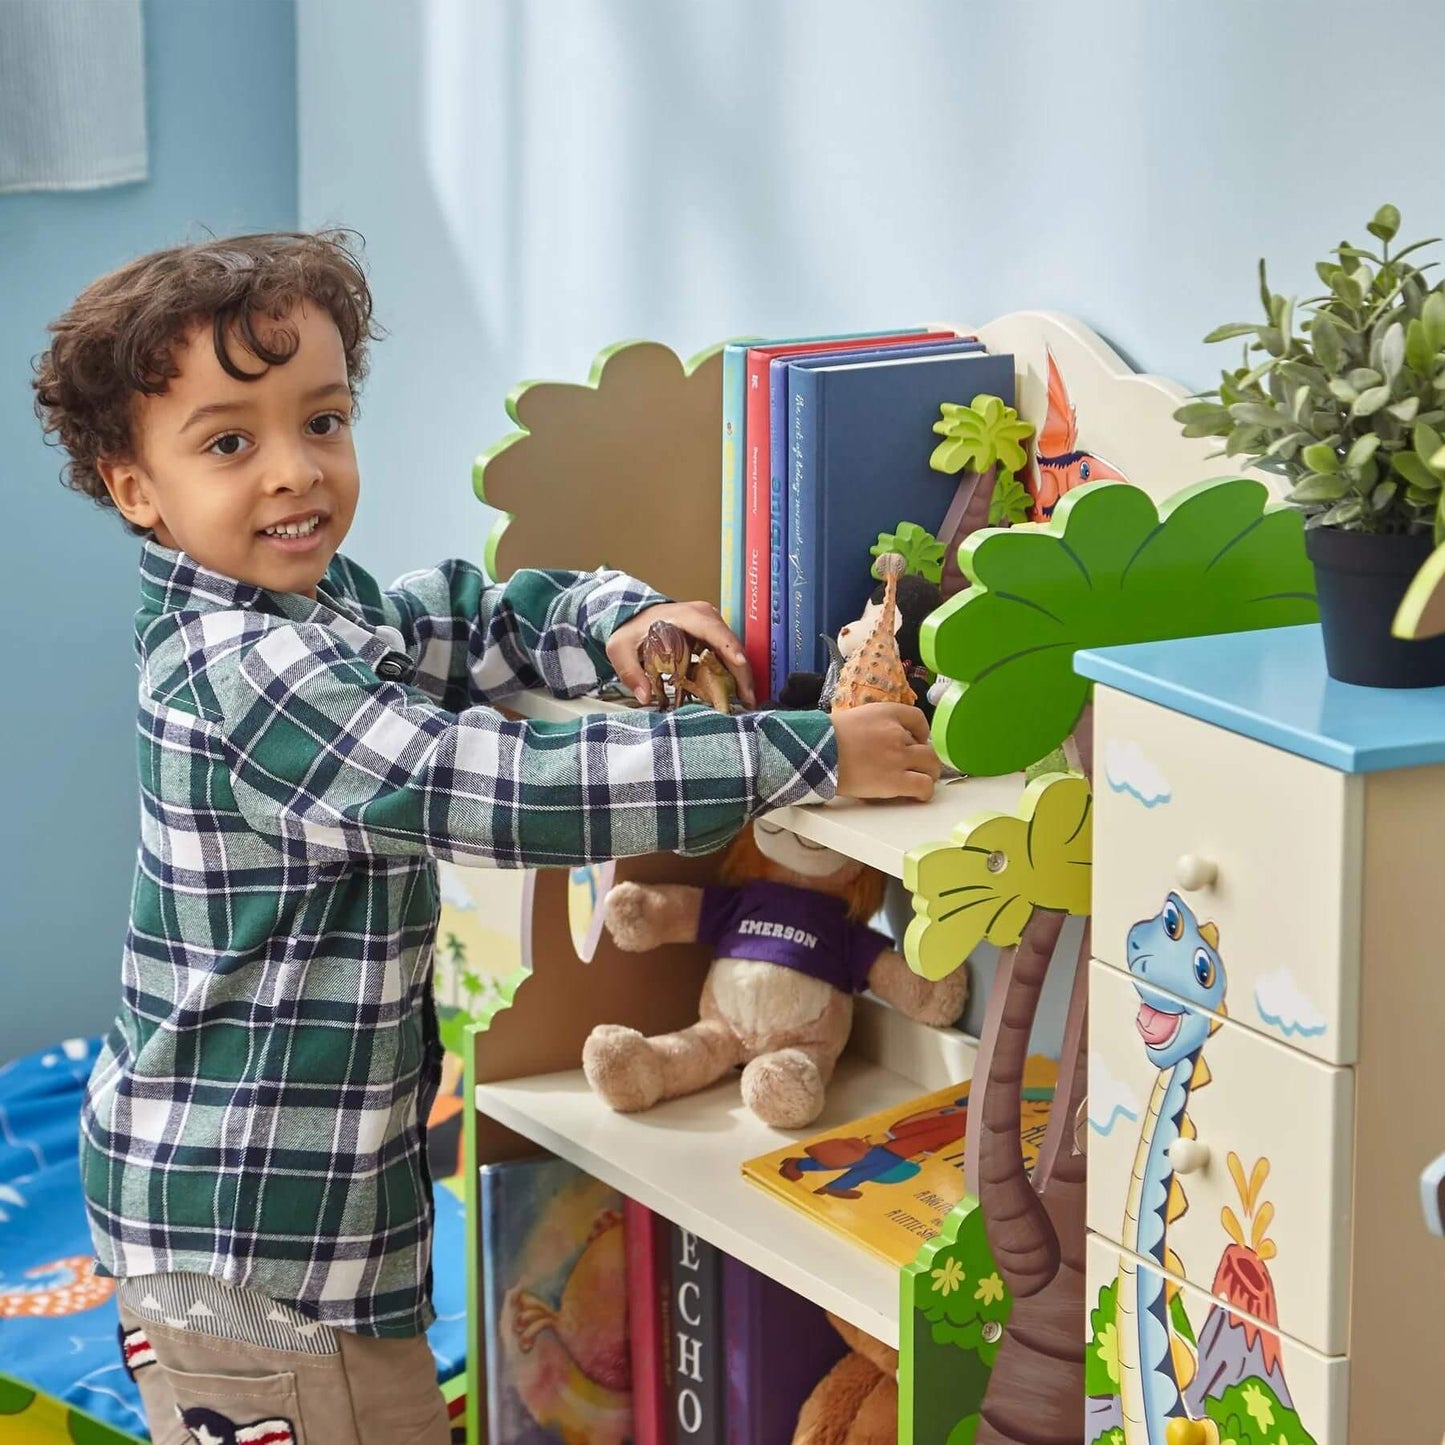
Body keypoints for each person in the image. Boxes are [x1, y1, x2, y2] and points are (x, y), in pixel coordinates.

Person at [32, 231, 942, 1444]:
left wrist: (620, 622)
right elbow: (488, 784)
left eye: (323, 420)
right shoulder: (249, 668)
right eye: (229, 442)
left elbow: (460, 615)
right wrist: (809, 752)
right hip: (259, 1239)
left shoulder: (313, 606)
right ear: (135, 487)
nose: (297, 472)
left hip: (252, 1208)